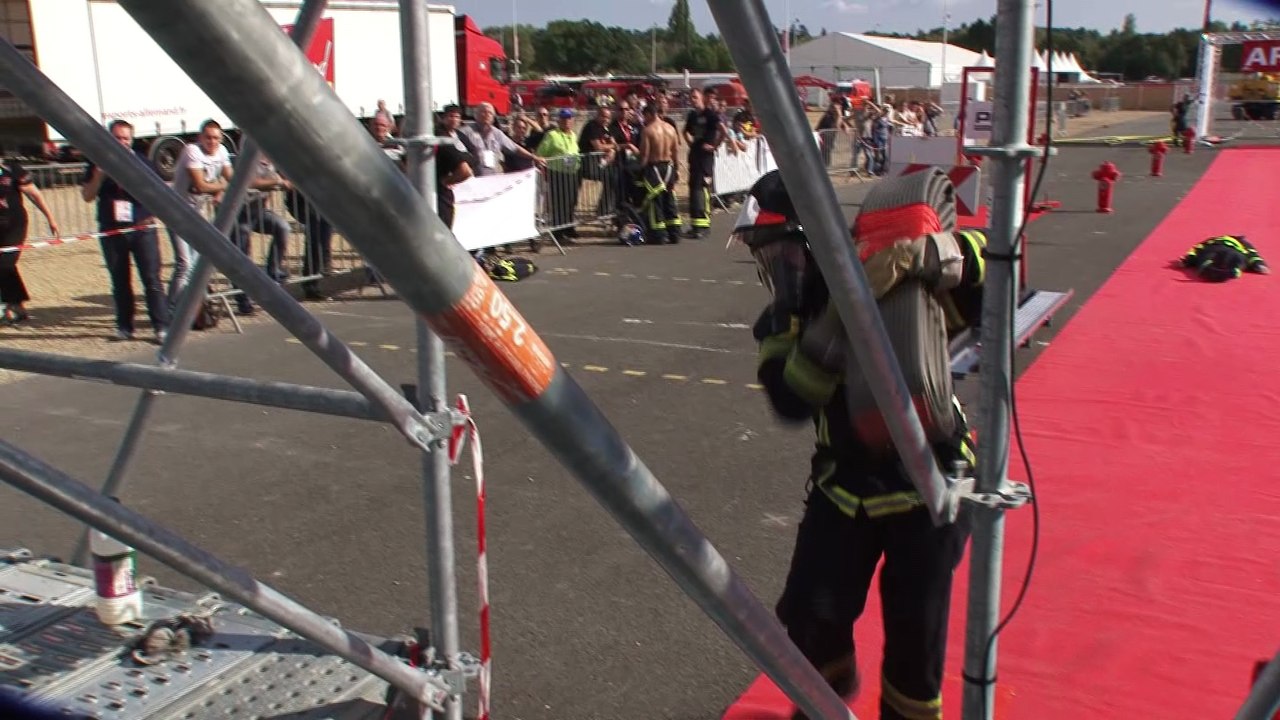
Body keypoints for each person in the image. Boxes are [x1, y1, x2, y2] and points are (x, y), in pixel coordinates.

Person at [736, 170, 983, 720]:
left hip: (931, 482)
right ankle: (830, 694)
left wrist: (926, 256)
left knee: (914, 642)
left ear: (818, 244)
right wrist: (842, 318)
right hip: (844, 484)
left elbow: (986, 277)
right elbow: (791, 400)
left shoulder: (895, 273)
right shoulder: (781, 321)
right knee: (806, 612)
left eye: (784, 254)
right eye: (767, 257)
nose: (777, 269)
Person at [80, 119, 170, 341]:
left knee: (152, 279)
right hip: (112, 230)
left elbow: (160, 194)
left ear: (132, 140)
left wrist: (151, 216)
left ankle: (161, 326)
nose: (121, 142)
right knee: (120, 280)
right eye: (117, 138)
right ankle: (124, 326)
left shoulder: (143, 163)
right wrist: (99, 176)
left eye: (125, 138)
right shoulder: (96, 163)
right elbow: (87, 196)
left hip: (142, 229)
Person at [0, 154, 58, 326]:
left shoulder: (12, 169)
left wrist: (50, 218)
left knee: (5, 264)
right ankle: (18, 306)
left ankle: (10, 307)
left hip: (14, 225)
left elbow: (34, 194)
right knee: (4, 266)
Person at [638, 103, 680, 244]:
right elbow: (675, 151)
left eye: (644, 116)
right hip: (669, 166)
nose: (643, 119)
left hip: (655, 167)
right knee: (669, 200)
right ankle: (674, 233)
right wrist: (677, 169)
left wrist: (640, 170)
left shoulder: (648, 130)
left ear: (649, 114)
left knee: (656, 201)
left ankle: (659, 234)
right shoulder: (671, 128)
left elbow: (645, 154)